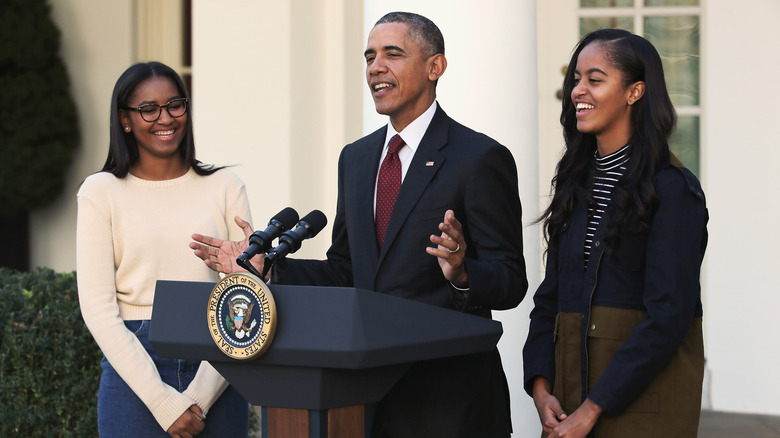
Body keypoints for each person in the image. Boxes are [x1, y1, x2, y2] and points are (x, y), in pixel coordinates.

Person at [191, 12, 527, 438]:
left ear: (434, 67)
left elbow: (511, 281)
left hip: (451, 403)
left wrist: (462, 272)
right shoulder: (357, 158)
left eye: (392, 54)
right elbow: (345, 271)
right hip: (363, 399)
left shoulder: (478, 158)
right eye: (369, 56)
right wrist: (268, 269)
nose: (375, 67)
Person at [522, 29, 708, 438]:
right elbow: (550, 298)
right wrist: (540, 387)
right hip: (569, 403)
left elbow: (669, 316)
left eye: (594, 78)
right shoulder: (576, 182)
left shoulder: (674, 189)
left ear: (634, 91)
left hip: (642, 408)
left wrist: (592, 409)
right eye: (575, 79)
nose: (577, 91)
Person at [76, 62, 252, 437]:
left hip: (217, 359)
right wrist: (161, 400)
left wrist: (200, 398)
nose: (165, 118)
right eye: (148, 109)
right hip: (134, 370)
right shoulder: (100, 192)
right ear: (125, 120)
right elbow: (97, 310)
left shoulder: (225, 186)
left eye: (175, 104)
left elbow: (245, 296)